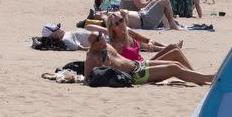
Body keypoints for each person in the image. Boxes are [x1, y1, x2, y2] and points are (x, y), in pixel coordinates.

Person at [84, 32, 212, 85]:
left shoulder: (105, 45)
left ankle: (198, 78)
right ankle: (209, 78)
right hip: (134, 75)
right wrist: (105, 65)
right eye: (99, 38)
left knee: (174, 61)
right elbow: (87, 80)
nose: (102, 38)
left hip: (137, 64)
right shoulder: (92, 58)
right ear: (94, 44)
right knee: (174, 68)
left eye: (101, 35)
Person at [106, 12, 194, 67]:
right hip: (139, 69)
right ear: (112, 28)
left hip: (144, 63)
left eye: (121, 20)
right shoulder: (115, 44)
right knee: (175, 54)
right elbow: (118, 65)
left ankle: (193, 74)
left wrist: (150, 44)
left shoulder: (129, 33)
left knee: (173, 47)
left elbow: (148, 40)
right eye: (117, 23)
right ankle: (193, 75)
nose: (121, 24)